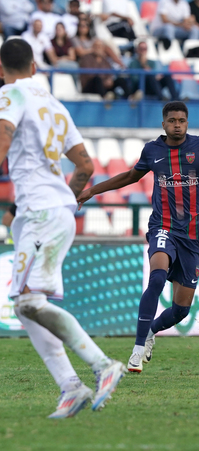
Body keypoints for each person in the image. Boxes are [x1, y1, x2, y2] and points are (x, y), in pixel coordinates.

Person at [0, 38, 125, 418]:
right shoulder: (55, 104)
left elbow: (3, 135)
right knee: (26, 305)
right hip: (48, 212)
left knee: (29, 301)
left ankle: (103, 365)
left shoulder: (10, 94)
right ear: (35, 66)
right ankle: (70, 386)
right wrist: (64, 201)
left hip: (41, 213)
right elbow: (85, 165)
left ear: (2, 70)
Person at [77, 102, 199, 374]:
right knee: (156, 278)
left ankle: (153, 331)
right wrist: (93, 190)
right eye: (172, 120)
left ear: (187, 123)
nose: (177, 124)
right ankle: (137, 348)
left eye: (181, 120)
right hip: (162, 227)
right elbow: (132, 176)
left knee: (181, 311)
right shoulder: (153, 150)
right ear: (163, 124)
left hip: (192, 236)